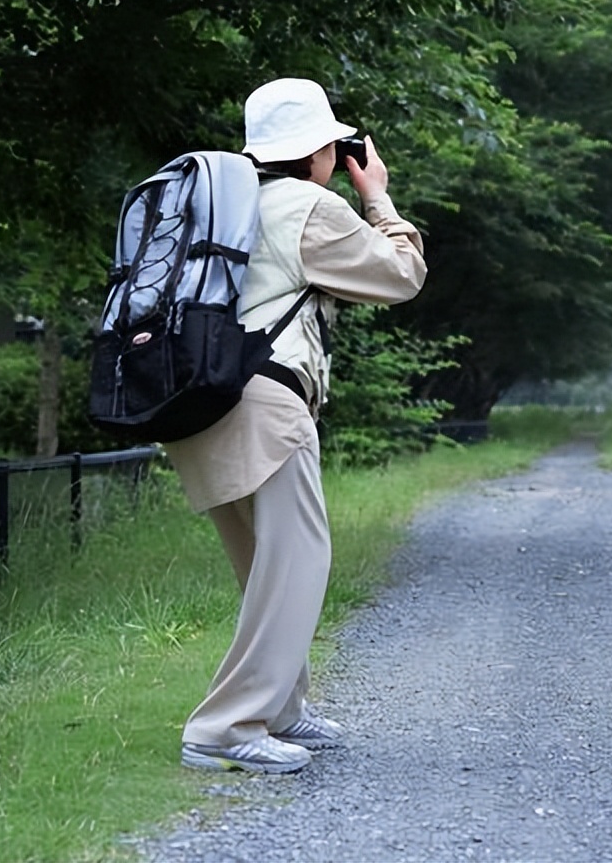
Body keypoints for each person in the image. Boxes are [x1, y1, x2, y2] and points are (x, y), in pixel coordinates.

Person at [164, 77, 427, 773]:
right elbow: (401, 276)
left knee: (263, 568)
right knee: (299, 563)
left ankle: (278, 708)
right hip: (266, 404)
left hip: (197, 402)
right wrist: (377, 196)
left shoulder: (217, 203)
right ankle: (226, 726)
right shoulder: (311, 206)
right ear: (318, 149)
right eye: (335, 148)